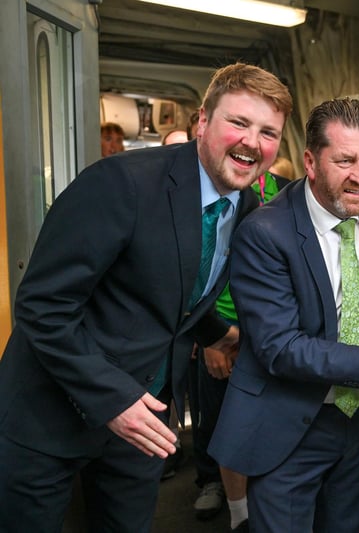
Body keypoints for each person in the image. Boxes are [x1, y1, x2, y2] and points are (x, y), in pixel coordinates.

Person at [0, 62, 292, 532]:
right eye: (238, 122)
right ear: (202, 121)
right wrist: (113, 399)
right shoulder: (121, 183)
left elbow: (170, 298)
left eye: (268, 132)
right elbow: (42, 305)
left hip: (146, 422)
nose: (252, 142)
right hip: (51, 413)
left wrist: (225, 335)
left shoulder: (248, 209)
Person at [208, 97, 359, 532]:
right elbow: (281, 348)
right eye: (346, 159)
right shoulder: (264, 233)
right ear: (311, 162)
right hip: (288, 425)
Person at [193, 169, 292, 532]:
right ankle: (235, 511)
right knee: (224, 422)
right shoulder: (207, 197)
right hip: (222, 326)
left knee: (263, 420)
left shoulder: (285, 189)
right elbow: (199, 278)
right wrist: (209, 339)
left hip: (270, 328)